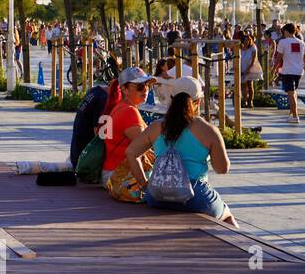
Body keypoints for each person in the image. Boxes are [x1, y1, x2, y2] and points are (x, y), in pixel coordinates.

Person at [125, 77, 236, 225]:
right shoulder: (208, 130)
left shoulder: (156, 127)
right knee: (227, 216)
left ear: (171, 99)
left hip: (157, 195)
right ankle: (247, 247)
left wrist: (145, 184)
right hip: (195, 196)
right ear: (198, 102)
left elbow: (131, 152)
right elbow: (222, 169)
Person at [101, 67, 154, 202]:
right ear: (124, 89)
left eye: (147, 85)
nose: (146, 90)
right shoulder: (129, 112)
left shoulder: (120, 106)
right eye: (140, 87)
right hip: (121, 176)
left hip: (111, 173)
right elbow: (147, 146)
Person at [272, 21, 303, 124]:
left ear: (286, 31)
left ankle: (295, 116)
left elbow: (278, 58)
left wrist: (273, 69)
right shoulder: (301, 43)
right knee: (293, 93)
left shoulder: (283, 42)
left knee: (291, 93)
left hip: (288, 71)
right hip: (298, 71)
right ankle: (292, 114)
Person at [238, 32, 261, 109]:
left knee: (250, 85)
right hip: (241, 67)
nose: (246, 42)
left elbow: (254, 59)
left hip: (250, 68)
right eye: (244, 40)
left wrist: (248, 68)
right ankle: (244, 100)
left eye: (248, 40)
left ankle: (250, 101)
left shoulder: (253, 48)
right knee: (243, 85)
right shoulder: (240, 48)